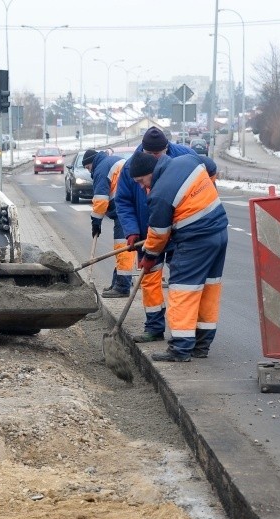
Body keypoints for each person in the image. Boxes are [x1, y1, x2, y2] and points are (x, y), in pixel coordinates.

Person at [128, 150, 228, 362]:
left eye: (141, 180)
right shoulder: (188, 160)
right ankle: (201, 345)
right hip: (219, 233)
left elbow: (158, 234)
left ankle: (180, 349)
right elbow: (209, 165)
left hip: (196, 240)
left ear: (150, 172)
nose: (141, 186)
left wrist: (149, 256)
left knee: (183, 290)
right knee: (209, 289)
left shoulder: (160, 193)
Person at [114, 126, 194, 343]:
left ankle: (184, 331)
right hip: (147, 232)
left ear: (167, 148)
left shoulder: (185, 157)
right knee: (149, 279)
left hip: (179, 233)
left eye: (159, 154)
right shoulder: (132, 166)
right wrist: (131, 230)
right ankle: (154, 327)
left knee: (181, 281)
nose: (155, 159)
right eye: (151, 155)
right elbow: (123, 201)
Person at [83, 148, 135, 298]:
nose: (88, 171)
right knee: (121, 247)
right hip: (129, 205)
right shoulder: (111, 161)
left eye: (87, 168)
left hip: (125, 209)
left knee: (122, 246)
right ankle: (117, 282)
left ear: (92, 163)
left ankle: (122, 287)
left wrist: (96, 222)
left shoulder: (100, 169)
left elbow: (100, 200)